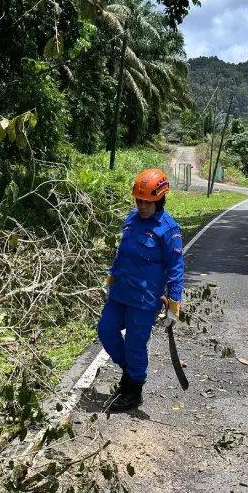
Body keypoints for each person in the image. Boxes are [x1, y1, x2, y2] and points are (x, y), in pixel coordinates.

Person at [97, 168, 185, 413]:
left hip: (144, 300)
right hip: (120, 292)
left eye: (147, 202)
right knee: (106, 329)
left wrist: (174, 306)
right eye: (139, 201)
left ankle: (133, 391)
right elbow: (121, 254)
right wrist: (109, 280)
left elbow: (176, 269)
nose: (142, 206)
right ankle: (130, 373)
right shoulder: (131, 220)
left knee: (135, 344)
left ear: (160, 200)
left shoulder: (168, 230)